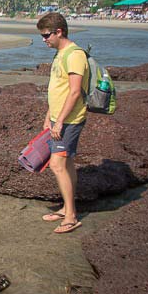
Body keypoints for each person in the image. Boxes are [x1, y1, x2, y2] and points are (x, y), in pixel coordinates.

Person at [37, 12, 89, 234]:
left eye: (47, 35)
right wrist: (49, 115)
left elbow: (75, 91)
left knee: (57, 165)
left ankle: (71, 216)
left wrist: (60, 123)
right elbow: (58, 89)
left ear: (59, 32)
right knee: (66, 164)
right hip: (59, 118)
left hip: (70, 121)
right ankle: (66, 208)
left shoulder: (74, 55)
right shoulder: (60, 54)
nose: (44, 39)